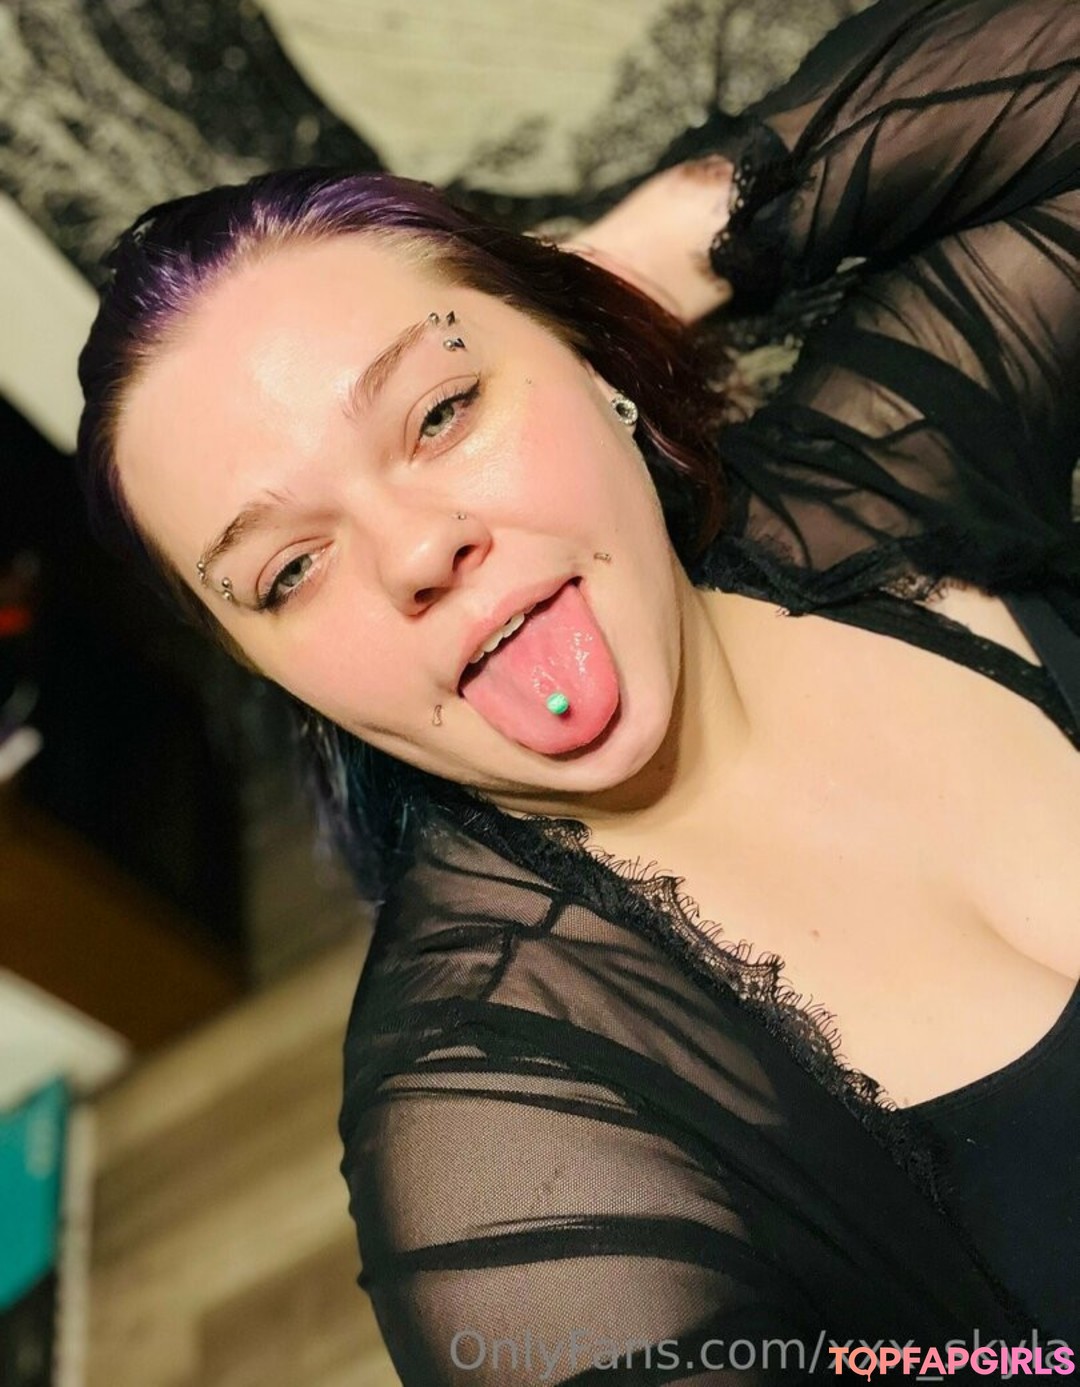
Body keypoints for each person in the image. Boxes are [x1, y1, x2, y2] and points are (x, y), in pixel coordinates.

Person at [74, 0, 1078, 1379]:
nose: (416, 550)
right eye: (290, 571)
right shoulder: (500, 1133)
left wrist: (640, 263)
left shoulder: (870, 486)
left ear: (591, 365)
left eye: (443, 411)